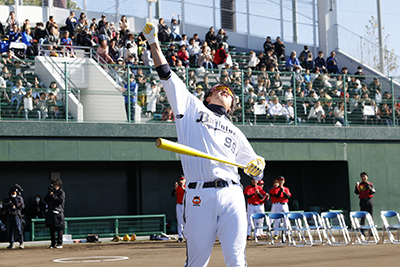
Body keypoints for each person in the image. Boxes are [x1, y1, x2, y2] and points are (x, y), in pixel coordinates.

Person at [142, 22, 265, 267]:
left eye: (230, 93)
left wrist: (258, 166)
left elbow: (256, 169)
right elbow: (166, 74)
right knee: (197, 261)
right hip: (199, 193)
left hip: (232, 192)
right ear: (208, 96)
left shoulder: (237, 132)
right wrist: (153, 43)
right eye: (220, 89)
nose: (226, 91)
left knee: (237, 260)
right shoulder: (190, 107)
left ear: (232, 105)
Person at [45, 178, 65, 249]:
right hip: (51, 213)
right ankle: (53, 243)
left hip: (58, 213)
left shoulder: (61, 192)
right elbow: (46, 200)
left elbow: (60, 200)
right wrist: (49, 193)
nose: (55, 186)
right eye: (54, 185)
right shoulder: (51, 192)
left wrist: (53, 195)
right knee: (52, 229)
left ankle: (59, 243)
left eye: (56, 185)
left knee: (59, 229)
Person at [171, 176, 186, 242]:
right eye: (180, 180)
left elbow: (187, 194)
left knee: (185, 222)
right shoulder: (177, 187)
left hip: (185, 205)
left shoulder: (187, 187)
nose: (181, 181)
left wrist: (183, 188)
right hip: (179, 204)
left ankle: (186, 236)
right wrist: (175, 189)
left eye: (182, 180)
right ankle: (180, 237)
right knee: (179, 222)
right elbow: (172, 195)